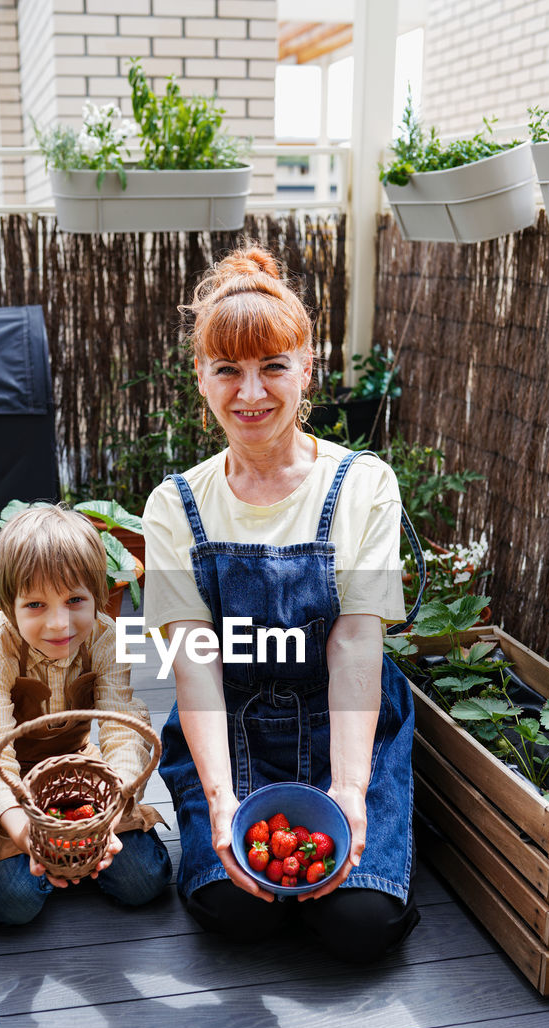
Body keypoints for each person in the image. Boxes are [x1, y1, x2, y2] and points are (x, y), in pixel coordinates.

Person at [142, 245, 423, 963]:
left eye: (272, 366)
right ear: (200, 377)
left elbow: (357, 644)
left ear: (306, 369)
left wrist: (350, 791)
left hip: (344, 720)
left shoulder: (364, 484)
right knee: (237, 912)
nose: (251, 393)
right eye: (228, 369)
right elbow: (194, 663)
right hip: (229, 722)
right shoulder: (174, 505)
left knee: (360, 925)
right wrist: (222, 799)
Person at [0, 504, 170, 925]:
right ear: (7, 604)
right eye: (36, 604)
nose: (60, 623)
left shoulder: (108, 637)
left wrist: (109, 815)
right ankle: (59, 865)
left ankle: (75, 860)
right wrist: (26, 834)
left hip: (79, 775)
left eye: (75, 600)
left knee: (147, 879)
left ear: (98, 592)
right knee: (13, 900)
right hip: (12, 781)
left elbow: (121, 726)